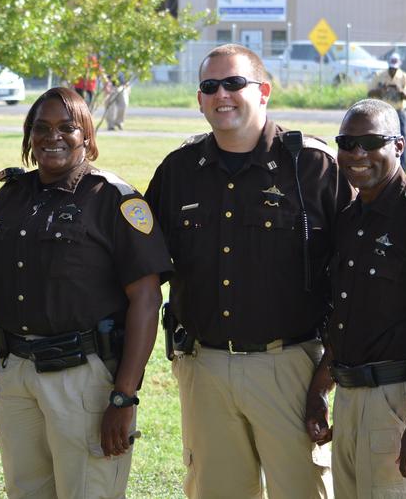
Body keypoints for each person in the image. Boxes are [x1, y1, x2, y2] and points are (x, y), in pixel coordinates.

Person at [144, 43, 354, 499]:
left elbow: (355, 273)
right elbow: (142, 267)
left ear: (264, 91)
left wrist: (329, 368)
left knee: (303, 490)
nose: (222, 94)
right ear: (199, 100)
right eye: (210, 86)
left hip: (291, 367)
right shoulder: (179, 170)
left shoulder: (314, 167)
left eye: (234, 83)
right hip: (204, 367)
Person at [0, 87, 169, 499]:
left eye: (66, 127)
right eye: (40, 128)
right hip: (15, 374)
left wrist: (124, 397)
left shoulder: (113, 199)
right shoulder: (8, 198)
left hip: (83, 378)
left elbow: (147, 302)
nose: (51, 137)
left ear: (87, 137)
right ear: (28, 136)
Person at [304, 99, 406, 499]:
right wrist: (319, 388)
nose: (358, 154)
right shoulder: (349, 218)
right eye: (348, 142)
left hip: (400, 404)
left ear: (397, 145)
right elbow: (349, 315)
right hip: (349, 398)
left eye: (372, 142)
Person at [368, 53, 406, 172]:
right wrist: (381, 90)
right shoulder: (379, 75)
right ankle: (381, 168)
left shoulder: (404, 77)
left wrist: (400, 91)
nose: (392, 70)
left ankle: (402, 171)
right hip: (383, 113)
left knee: (402, 141)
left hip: (398, 113)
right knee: (381, 141)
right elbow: (370, 93)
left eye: (395, 68)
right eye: (391, 67)